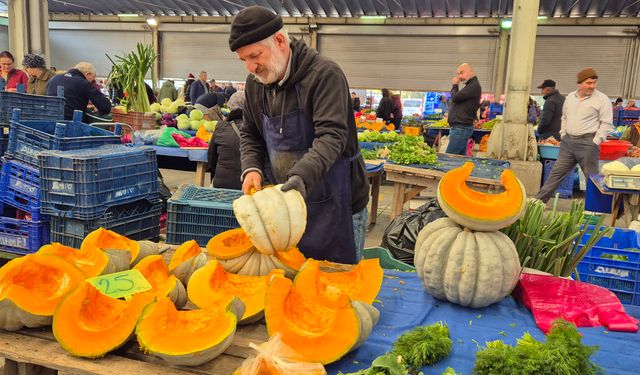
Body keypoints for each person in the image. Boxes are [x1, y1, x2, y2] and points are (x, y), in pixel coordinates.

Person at [229, 5, 369, 264]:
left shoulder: (324, 75)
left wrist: (300, 177)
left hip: (336, 203)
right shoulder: (255, 85)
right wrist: (251, 168)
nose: (250, 67)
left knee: (338, 287)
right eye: (243, 60)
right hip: (285, 206)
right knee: (293, 282)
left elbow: (332, 137)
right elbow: (250, 133)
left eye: (255, 56)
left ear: (280, 41)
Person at [536, 68, 614, 203]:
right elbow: (564, 117)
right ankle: (538, 202)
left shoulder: (602, 99)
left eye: (594, 83)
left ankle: (594, 209)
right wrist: (563, 134)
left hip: (588, 143)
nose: (592, 86)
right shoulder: (570, 97)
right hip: (568, 143)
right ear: (580, 83)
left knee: (592, 178)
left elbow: (606, 122)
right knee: (556, 174)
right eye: (589, 83)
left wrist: (596, 141)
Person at [46, 62, 111, 120]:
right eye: (92, 79)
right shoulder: (83, 83)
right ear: (87, 74)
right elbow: (105, 107)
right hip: (71, 125)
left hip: (48, 120)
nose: (92, 82)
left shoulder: (53, 79)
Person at [208, 91, 245, 189]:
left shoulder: (221, 126)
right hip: (250, 185)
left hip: (222, 184)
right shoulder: (259, 127)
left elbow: (211, 157)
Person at [447, 63, 482, 155]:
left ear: (471, 71)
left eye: (462, 73)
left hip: (461, 128)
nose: (459, 76)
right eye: (458, 74)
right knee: (459, 158)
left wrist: (455, 85)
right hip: (460, 127)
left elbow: (455, 97)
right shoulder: (470, 86)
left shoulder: (473, 86)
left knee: (450, 157)